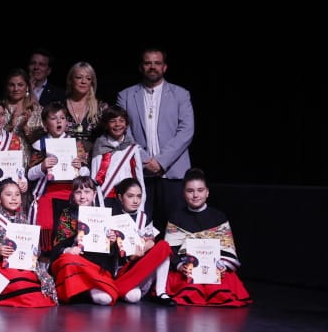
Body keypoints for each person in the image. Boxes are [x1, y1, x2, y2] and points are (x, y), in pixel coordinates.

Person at [116, 47, 195, 233]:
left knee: (176, 228)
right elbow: (122, 132)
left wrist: (160, 161)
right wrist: (145, 160)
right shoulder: (125, 96)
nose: (153, 67)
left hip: (173, 173)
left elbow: (186, 131)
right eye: (148, 63)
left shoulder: (181, 94)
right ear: (141, 67)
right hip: (140, 173)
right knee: (140, 228)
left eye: (157, 63)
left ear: (165, 67)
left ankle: (177, 263)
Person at [162, 168, 250, 307]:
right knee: (186, 285)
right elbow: (169, 250)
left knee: (222, 285)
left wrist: (222, 266)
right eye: (190, 191)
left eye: (200, 190)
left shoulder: (218, 217)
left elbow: (227, 248)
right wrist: (180, 266)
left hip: (215, 269)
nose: (195, 195)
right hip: (187, 270)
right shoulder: (176, 217)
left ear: (207, 192)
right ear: (183, 194)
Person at [0, 180, 55, 307]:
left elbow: (34, 247)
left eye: (17, 195)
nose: (14, 198)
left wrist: (33, 251)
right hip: (1, 264)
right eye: (8, 195)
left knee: (39, 280)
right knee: (20, 283)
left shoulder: (23, 218)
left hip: (23, 263)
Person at [47, 176, 119, 305]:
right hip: (75, 261)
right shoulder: (67, 214)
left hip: (94, 265)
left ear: (94, 194)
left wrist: (112, 242)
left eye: (87, 192)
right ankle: (82, 289)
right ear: (73, 195)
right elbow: (58, 245)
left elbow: (110, 254)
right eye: (78, 192)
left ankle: (88, 287)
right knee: (67, 259)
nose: (82, 196)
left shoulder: (103, 215)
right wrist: (68, 249)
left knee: (105, 299)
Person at [106, 176, 175, 306]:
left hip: (140, 265)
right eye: (130, 196)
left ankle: (161, 292)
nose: (135, 200)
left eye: (139, 196)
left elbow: (151, 241)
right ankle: (124, 288)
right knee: (133, 297)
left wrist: (144, 247)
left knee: (163, 247)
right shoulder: (112, 218)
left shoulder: (144, 217)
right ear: (120, 197)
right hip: (121, 271)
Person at [25, 102, 86, 247]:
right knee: (47, 229)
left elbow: (87, 173)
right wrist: (42, 166)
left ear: (67, 122)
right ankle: (45, 260)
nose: (59, 121)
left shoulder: (75, 144)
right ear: (46, 124)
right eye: (53, 118)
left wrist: (80, 167)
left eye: (62, 118)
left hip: (71, 193)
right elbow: (30, 175)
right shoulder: (39, 144)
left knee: (68, 231)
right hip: (48, 193)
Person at [90, 105, 146, 205]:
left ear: (126, 124)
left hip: (128, 198)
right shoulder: (100, 145)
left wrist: (142, 203)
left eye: (121, 120)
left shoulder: (132, 147)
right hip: (106, 196)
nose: (117, 124)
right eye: (112, 121)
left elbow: (139, 177)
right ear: (106, 125)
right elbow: (94, 176)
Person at [63, 61, 105, 156]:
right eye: (79, 77)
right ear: (70, 80)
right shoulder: (59, 107)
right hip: (65, 160)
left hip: (95, 161)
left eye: (88, 78)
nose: (83, 81)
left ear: (92, 83)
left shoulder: (102, 108)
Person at [2, 68, 42, 142]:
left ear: (27, 87)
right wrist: (10, 125)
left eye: (20, 85)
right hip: (4, 153)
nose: (16, 89)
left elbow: (39, 142)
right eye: (12, 85)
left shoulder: (37, 111)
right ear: (7, 87)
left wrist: (25, 127)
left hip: (28, 153)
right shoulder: (0, 108)